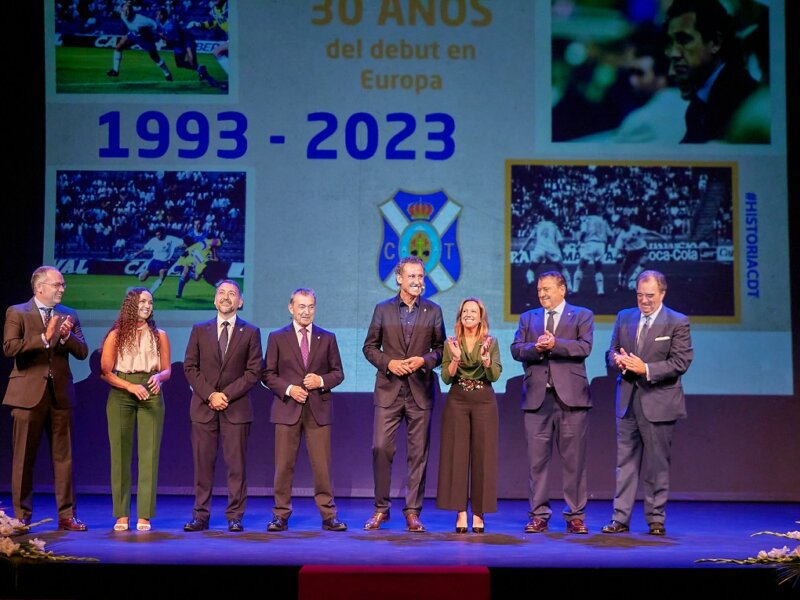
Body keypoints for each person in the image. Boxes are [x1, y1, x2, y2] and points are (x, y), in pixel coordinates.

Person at [602, 270, 693, 536]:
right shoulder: (624, 317)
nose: (644, 300)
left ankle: (655, 520)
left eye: (650, 296)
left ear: (662, 293)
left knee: (657, 465)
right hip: (627, 402)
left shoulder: (677, 321)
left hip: (659, 403)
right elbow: (611, 351)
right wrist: (617, 360)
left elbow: (681, 362)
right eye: (640, 295)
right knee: (625, 464)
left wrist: (646, 369)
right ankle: (620, 519)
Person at [2, 266, 89, 530]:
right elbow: (10, 347)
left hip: (60, 395)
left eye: (63, 285)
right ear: (40, 287)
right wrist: (44, 337)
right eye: (57, 284)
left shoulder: (69, 314)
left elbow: (82, 351)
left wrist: (66, 336)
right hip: (27, 396)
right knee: (23, 458)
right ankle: (22, 516)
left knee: (64, 458)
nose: (62, 288)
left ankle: (67, 515)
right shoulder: (17, 312)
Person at [362, 256, 445, 532]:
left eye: (420, 276)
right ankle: (381, 508)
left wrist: (424, 360)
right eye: (412, 276)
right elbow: (369, 347)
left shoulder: (433, 311)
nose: (418, 281)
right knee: (380, 448)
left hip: (420, 390)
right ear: (399, 279)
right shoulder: (382, 309)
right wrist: (389, 363)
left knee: (418, 454)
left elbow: (441, 350)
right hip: (389, 389)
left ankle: (412, 512)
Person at [510, 271, 593, 534]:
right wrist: (536, 348)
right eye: (539, 290)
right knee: (537, 463)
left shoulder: (582, 315)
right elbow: (516, 349)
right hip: (537, 400)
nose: (542, 294)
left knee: (574, 462)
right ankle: (538, 515)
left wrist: (555, 344)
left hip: (572, 400)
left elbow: (584, 347)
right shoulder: (528, 318)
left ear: (562, 289)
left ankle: (575, 516)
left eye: (547, 289)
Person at [262, 288, 346, 532]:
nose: (306, 311)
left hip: (318, 411)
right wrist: (289, 389)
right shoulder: (277, 337)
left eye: (310, 307)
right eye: (301, 306)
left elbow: (338, 373)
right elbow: (268, 374)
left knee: (322, 467)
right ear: (291, 308)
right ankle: (280, 515)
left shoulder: (327, 338)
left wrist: (320, 381)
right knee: (283, 466)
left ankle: (329, 515)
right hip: (287, 409)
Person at [183, 280, 263, 532]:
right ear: (215, 299)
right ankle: (200, 515)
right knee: (202, 466)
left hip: (236, 409)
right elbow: (190, 367)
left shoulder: (251, 332)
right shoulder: (199, 329)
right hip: (203, 408)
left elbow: (253, 372)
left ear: (240, 301)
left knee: (236, 467)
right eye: (221, 293)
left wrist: (225, 395)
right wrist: (210, 395)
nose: (226, 297)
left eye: (232, 293)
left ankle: (235, 516)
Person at [99, 288, 171, 532]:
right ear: (131, 304)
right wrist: (129, 386)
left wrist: (159, 377)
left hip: (151, 391)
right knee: (120, 454)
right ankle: (121, 514)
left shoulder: (159, 335)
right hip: (122, 391)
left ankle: (144, 514)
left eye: (150, 302)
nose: (147, 306)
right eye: (142, 301)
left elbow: (167, 369)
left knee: (149, 455)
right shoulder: (116, 334)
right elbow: (105, 371)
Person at [437, 297, 501, 534]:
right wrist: (455, 357)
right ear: (460, 316)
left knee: (483, 456)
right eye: (465, 311)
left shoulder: (490, 342)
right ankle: (461, 512)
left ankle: (479, 513)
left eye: (473, 311)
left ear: (481, 316)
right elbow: (446, 377)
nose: (469, 314)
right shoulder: (451, 342)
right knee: (457, 456)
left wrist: (486, 359)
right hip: (458, 400)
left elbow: (494, 375)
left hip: (484, 400)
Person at [664, 0, 761, 143]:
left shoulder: (741, 100)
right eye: (670, 42)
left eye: (684, 40)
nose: (673, 53)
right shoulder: (700, 103)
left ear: (715, 42)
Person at [155, 8, 223, 89]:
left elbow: (176, 39)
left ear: (162, 16)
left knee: (192, 61)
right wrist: (164, 38)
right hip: (178, 45)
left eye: (157, 14)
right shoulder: (160, 25)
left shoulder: (171, 25)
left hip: (186, 41)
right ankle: (200, 68)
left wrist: (163, 37)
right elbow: (170, 40)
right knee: (179, 63)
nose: (156, 16)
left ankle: (210, 79)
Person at [106, 2, 173, 81]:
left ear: (132, 11)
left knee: (155, 57)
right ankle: (115, 71)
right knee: (118, 47)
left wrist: (164, 38)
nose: (125, 13)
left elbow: (157, 27)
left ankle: (167, 73)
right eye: (124, 11)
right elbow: (115, 11)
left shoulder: (142, 20)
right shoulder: (122, 15)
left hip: (146, 39)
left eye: (127, 11)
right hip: (133, 34)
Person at [520, 209, 572, 292]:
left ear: (543, 217)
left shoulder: (538, 225)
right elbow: (560, 241)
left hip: (539, 249)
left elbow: (530, 239)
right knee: (562, 268)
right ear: (552, 217)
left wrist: (522, 250)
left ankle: (531, 280)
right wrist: (562, 249)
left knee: (532, 268)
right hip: (552, 250)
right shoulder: (554, 226)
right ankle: (570, 287)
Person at [572, 204, 614, 296]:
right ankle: (600, 291)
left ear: (588, 210)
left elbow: (583, 232)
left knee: (581, 266)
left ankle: (575, 290)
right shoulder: (603, 221)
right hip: (601, 245)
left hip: (590, 244)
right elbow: (610, 235)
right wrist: (607, 245)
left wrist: (579, 242)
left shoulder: (586, 220)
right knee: (598, 268)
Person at [130, 227, 184, 294]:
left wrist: (184, 246)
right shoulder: (153, 240)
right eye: (157, 235)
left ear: (163, 233)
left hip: (164, 262)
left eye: (159, 235)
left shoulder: (171, 239)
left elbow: (182, 242)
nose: (158, 237)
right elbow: (145, 248)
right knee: (142, 279)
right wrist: (136, 253)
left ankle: (150, 293)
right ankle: (139, 275)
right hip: (154, 261)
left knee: (161, 277)